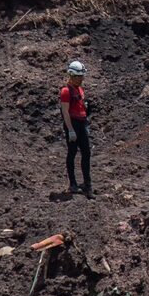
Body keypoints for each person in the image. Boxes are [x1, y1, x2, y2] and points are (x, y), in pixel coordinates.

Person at [59, 60, 92, 196]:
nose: (81, 79)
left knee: (86, 153)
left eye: (81, 76)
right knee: (72, 153)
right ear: (72, 75)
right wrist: (71, 130)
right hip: (72, 124)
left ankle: (87, 183)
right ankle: (72, 184)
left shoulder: (80, 89)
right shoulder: (66, 91)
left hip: (82, 123)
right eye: (78, 77)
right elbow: (65, 112)